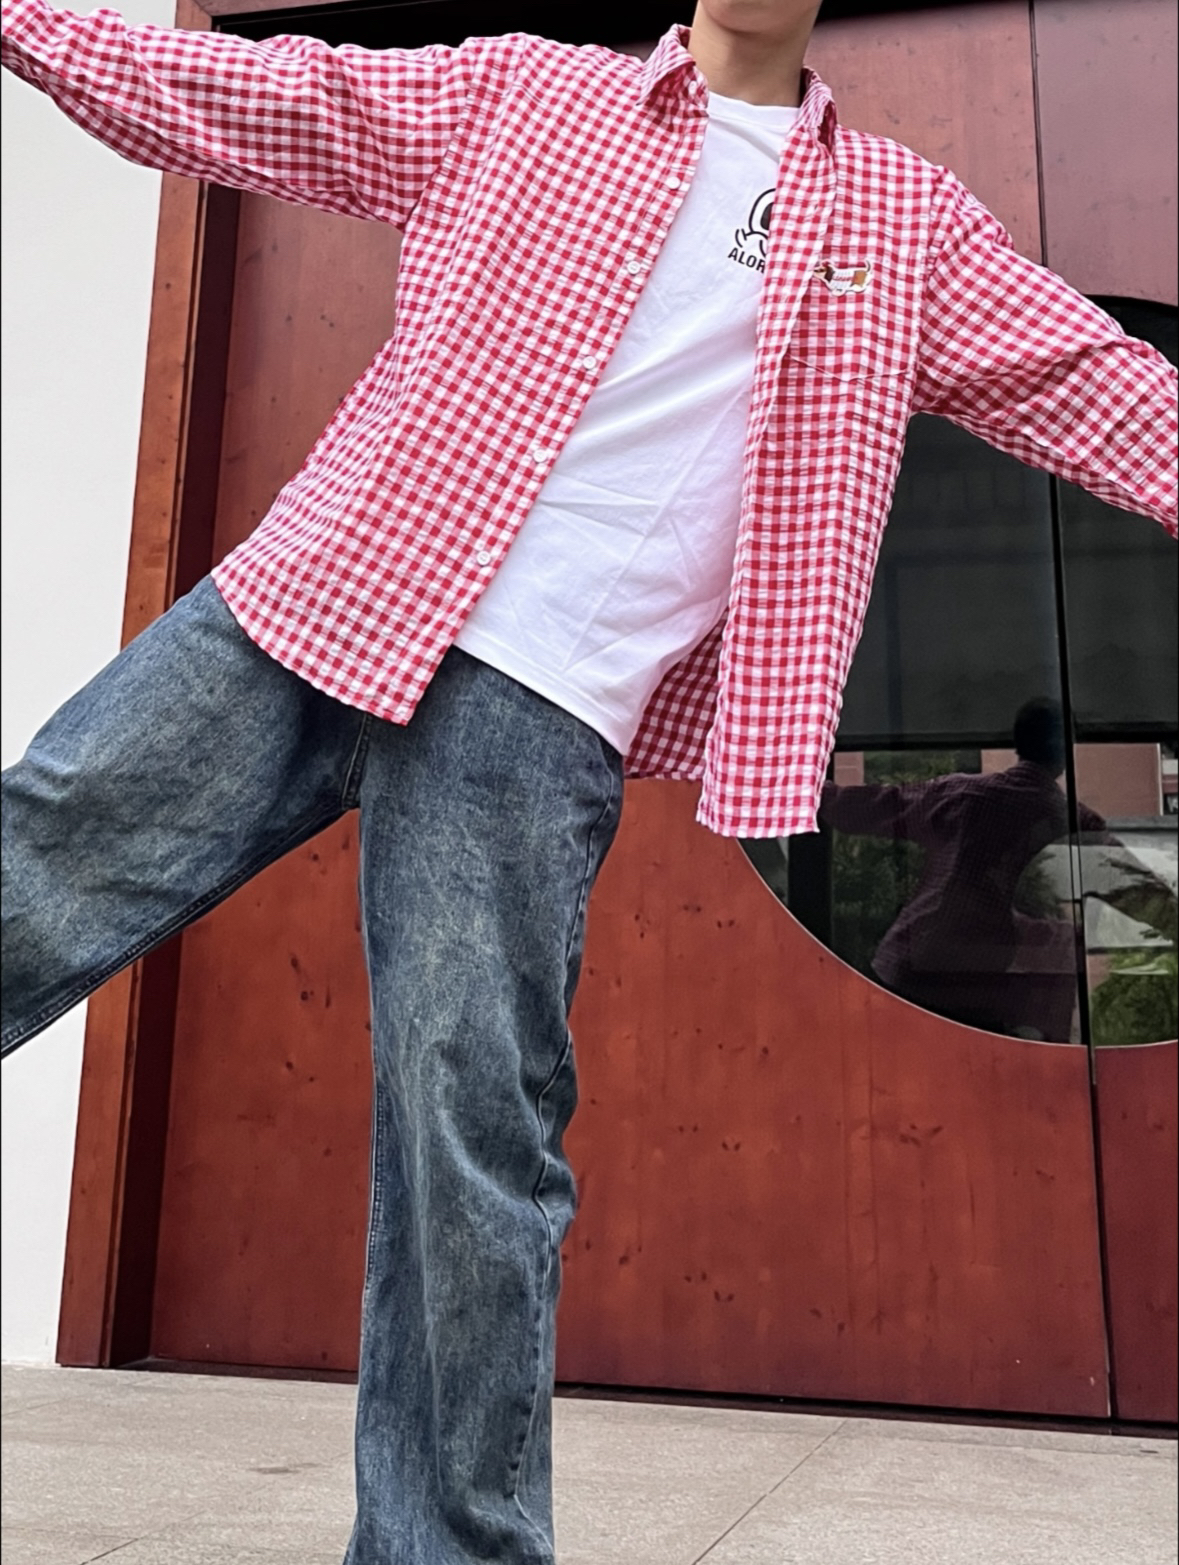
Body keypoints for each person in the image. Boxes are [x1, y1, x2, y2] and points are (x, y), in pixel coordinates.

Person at [1, 0, 1176, 1559]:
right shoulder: (523, 94)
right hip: (323, 594)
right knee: (33, 860)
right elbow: (250, 90)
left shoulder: (899, 221)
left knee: (471, 1133)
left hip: (537, 707)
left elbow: (1102, 387)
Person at [820, 700, 1108, 1039]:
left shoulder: (963, 794)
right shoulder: (1078, 823)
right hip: (977, 992)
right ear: (1068, 748)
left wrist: (806, 789)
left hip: (908, 968)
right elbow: (1136, 895)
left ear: (1018, 743)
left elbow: (873, 806)